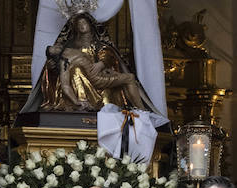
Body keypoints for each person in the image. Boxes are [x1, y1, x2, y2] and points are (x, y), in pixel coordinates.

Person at [25, 12, 157, 114]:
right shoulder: (67, 49)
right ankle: (82, 102)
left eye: (84, 23)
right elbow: (63, 82)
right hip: (85, 79)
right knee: (76, 71)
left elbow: (108, 54)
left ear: (90, 25)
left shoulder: (97, 44)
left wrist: (102, 64)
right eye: (79, 24)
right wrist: (52, 66)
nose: (82, 26)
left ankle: (139, 110)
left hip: (98, 74)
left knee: (122, 82)